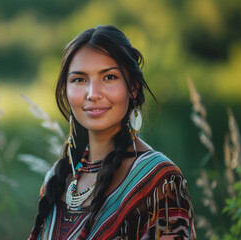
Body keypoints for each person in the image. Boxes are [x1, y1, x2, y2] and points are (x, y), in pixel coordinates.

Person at [29, 25, 197, 240]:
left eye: (109, 77)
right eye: (79, 80)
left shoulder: (159, 180)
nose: (93, 94)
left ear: (133, 87)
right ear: (67, 90)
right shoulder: (57, 179)